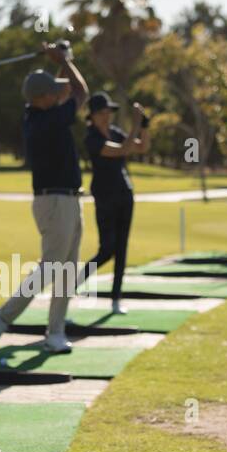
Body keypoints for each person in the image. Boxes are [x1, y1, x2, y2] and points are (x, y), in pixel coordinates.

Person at [0, 41, 89, 354]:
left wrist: (60, 59)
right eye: (52, 92)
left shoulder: (44, 112)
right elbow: (79, 91)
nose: (60, 93)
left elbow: (66, 87)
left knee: (67, 268)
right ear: (41, 98)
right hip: (55, 201)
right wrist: (65, 59)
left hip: (68, 199)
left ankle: (55, 332)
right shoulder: (47, 120)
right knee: (52, 267)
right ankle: (1, 319)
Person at [83, 92, 149, 313]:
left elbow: (141, 147)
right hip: (104, 195)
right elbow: (121, 150)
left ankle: (116, 298)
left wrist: (144, 126)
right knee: (106, 249)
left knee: (122, 248)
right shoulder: (92, 138)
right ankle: (73, 283)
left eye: (108, 112)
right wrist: (136, 124)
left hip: (125, 193)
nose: (106, 116)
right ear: (91, 115)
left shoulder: (115, 132)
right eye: (102, 113)